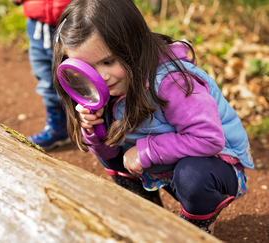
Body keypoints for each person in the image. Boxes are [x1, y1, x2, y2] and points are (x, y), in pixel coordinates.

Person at [52, 0, 253, 234]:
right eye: (87, 69)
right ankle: (147, 215)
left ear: (133, 43)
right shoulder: (105, 88)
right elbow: (110, 153)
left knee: (192, 176)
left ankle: (198, 227)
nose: (101, 77)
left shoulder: (172, 81)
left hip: (215, 164)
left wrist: (145, 151)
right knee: (112, 147)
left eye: (108, 62)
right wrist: (93, 131)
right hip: (162, 164)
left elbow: (208, 139)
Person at [10, 0, 72, 150]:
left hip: (75, 21)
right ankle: (58, 128)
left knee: (81, 77)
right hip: (37, 24)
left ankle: (100, 132)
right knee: (46, 77)